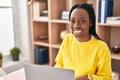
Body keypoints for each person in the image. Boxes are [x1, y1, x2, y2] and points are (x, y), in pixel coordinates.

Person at [54, 3, 112, 80]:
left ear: (90, 22)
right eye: (73, 21)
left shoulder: (101, 47)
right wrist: (55, 74)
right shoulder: (67, 38)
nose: (76, 26)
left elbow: (106, 77)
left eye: (82, 21)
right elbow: (59, 63)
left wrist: (88, 78)